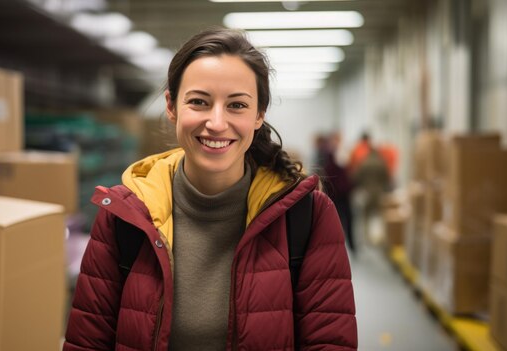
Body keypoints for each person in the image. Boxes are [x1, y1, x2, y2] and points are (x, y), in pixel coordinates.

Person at [63, 27, 357, 351]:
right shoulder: (125, 216)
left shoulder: (308, 217)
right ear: (171, 107)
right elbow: (86, 344)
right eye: (199, 102)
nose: (216, 122)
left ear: (259, 114)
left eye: (237, 105)